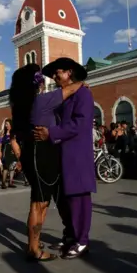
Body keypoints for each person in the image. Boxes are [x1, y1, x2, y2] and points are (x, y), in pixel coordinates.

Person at [9, 64, 84, 261]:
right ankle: (34, 249)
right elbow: (70, 88)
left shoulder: (21, 105)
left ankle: (35, 242)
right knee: (39, 203)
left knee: (40, 200)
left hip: (32, 153)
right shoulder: (42, 101)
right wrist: (81, 81)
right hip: (42, 154)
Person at [33, 58, 96, 259]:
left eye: (57, 72)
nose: (54, 76)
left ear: (69, 72)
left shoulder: (83, 94)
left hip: (77, 155)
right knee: (68, 200)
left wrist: (51, 133)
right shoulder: (66, 96)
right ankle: (71, 236)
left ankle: (82, 241)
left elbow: (80, 124)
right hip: (63, 154)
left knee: (79, 199)